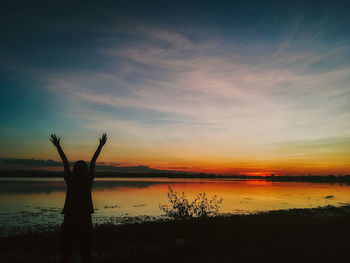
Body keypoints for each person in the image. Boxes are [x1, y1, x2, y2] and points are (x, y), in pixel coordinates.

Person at [50, 133, 107, 263]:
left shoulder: (72, 180)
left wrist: (58, 146)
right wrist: (100, 146)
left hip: (70, 218)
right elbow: (93, 161)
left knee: (67, 252)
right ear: (85, 170)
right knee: (85, 252)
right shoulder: (87, 181)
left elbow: (65, 161)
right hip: (84, 219)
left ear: (75, 170)